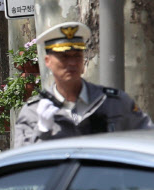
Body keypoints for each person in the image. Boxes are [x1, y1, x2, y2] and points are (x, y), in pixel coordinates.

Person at [15, 21, 154, 147]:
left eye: (77, 55)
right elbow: (20, 167)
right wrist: (42, 131)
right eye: (64, 56)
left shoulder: (115, 103)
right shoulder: (33, 113)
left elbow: (147, 142)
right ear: (47, 61)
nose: (72, 63)